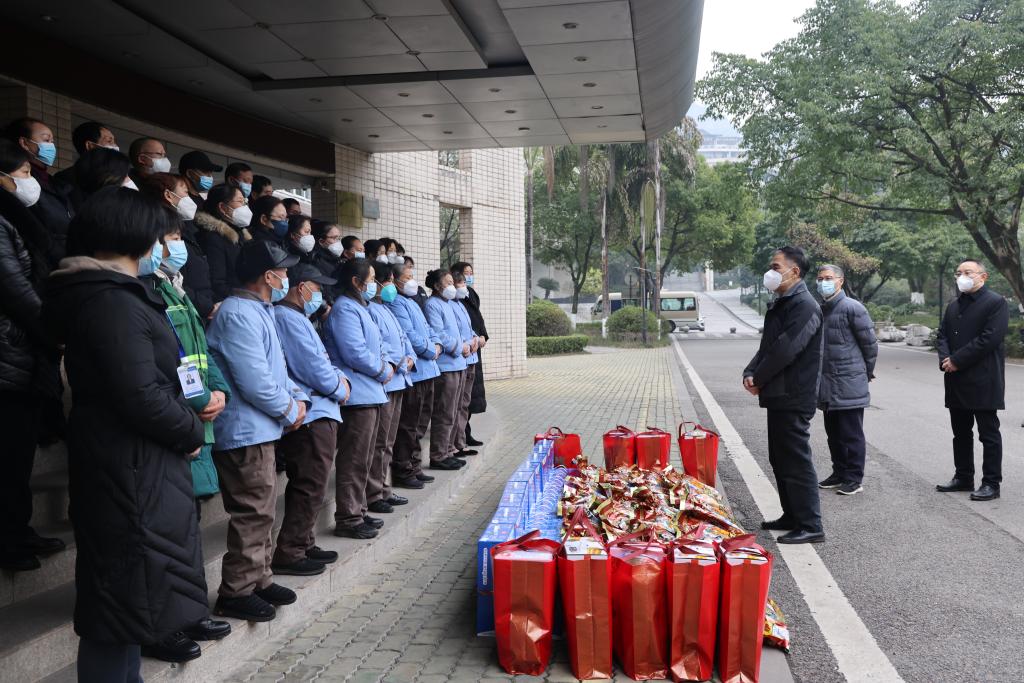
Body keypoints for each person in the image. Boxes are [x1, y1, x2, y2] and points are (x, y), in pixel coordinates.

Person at [42, 187, 207, 682]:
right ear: (136, 236)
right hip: (130, 471)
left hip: (131, 466)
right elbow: (140, 394)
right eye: (161, 235)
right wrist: (190, 429)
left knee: (129, 604)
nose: (165, 245)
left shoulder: (114, 295)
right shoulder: (113, 301)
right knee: (118, 605)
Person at [141, 211, 233, 662]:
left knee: (188, 526)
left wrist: (218, 390)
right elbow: (161, 365)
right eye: (171, 237)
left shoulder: (176, 290)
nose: (178, 246)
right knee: (166, 530)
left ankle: (191, 610)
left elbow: (201, 352)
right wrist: (197, 402)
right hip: (175, 421)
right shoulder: (145, 293)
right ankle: (164, 622)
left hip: (196, 421)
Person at [205, 240, 309, 622]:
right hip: (244, 431)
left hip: (260, 428)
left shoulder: (257, 310)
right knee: (252, 511)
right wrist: (289, 409)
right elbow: (255, 381)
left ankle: (260, 579)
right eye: (283, 271)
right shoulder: (237, 314)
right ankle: (236, 590)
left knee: (263, 509)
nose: (287, 277)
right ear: (268, 276)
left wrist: (297, 400)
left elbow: (275, 370)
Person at [0, 139, 64, 572]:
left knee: (18, 454)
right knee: (7, 454)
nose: (31, 180)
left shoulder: (15, 217)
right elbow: (14, 287)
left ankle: (18, 531)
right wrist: (53, 329)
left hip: (22, 353)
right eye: (23, 173)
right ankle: (8, 540)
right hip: (10, 352)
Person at [742, 246, 825, 544]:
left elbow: (787, 349)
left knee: (796, 460)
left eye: (776, 267)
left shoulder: (805, 305)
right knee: (780, 458)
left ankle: (811, 524)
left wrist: (759, 377)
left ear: (795, 271)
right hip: (779, 393)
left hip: (794, 394)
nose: (771, 272)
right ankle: (791, 515)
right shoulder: (783, 302)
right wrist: (751, 371)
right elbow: (769, 346)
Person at [271, 264, 349, 574]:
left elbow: (323, 360)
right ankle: (290, 551)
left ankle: (304, 541)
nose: (320, 295)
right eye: (316, 289)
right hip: (312, 413)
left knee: (313, 482)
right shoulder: (286, 317)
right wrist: (338, 388)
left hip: (320, 408)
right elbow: (311, 367)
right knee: (309, 482)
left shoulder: (298, 316)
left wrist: (339, 381)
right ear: (301, 287)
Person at [322, 259, 394, 540]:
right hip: (358, 396)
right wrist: (382, 369)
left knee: (364, 457)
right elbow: (354, 352)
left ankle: (359, 510)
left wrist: (385, 365)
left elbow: (378, 345)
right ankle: (349, 517)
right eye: (372, 279)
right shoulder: (345, 309)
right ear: (356, 281)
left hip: (371, 391)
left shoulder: (361, 307)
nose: (375, 284)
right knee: (353, 459)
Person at [935, 260, 1009, 502]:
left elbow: (990, 339)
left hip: (983, 378)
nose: (962, 277)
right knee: (960, 433)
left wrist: (957, 360)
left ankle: (991, 483)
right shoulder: (953, 305)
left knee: (988, 434)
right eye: (959, 273)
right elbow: (942, 334)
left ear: (983, 276)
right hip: (955, 379)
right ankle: (963, 476)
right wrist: (945, 359)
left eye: (968, 272)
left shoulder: (995, 303)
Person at [814, 264, 877, 497]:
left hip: (849, 381)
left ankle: (854, 478)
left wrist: (865, 372)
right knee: (833, 433)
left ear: (840, 281)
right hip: (828, 382)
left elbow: (869, 345)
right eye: (820, 278)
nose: (824, 282)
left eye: (828, 278)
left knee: (851, 434)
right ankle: (839, 472)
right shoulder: (822, 309)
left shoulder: (852, 307)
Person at [366, 266, 414, 514]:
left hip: (399, 379)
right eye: (389, 282)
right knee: (380, 441)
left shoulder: (386, 308)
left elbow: (403, 339)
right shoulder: (370, 310)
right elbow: (380, 346)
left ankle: (384, 488)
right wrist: (397, 362)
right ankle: (374, 493)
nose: (392, 287)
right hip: (387, 380)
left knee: (389, 441)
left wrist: (409, 357)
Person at [389, 263, 440, 489]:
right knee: (408, 425)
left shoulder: (412, 302)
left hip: (429, 370)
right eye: (407, 277)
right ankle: (403, 468)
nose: (412, 281)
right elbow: (409, 335)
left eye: (412, 276)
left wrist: (436, 345)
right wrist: (430, 350)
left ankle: (414, 465)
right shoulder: (396, 303)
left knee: (420, 423)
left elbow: (427, 330)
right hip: (417, 372)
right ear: (395, 280)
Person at [138, 172, 215, 320]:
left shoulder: (186, 228)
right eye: (185, 192)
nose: (189, 197)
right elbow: (172, 281)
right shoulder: (156, 226)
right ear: (168, 195)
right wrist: (206, 307)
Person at [4, 117, 74, 266]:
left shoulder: (57, 184)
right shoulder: (19, 184)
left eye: (52, 141)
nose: (52, 146)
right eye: (46, 140)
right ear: (24, 143)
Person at [424, 269, 468, 471]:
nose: (452, 286)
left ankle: (448, 450)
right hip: (446, 365)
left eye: (452, 282)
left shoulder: (448, 304)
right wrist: (459, 347)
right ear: (436, 286)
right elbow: (438, 334)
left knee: (453, 411)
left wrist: (466, 344)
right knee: (444, 411)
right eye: (448, 282)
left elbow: (458, 331)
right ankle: (438, 454)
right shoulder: (432, 304)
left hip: (458, 363)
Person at [195, 184, 251, 303]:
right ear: (222, 207)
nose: (245, 207)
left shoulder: (241, 234)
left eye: (245, 202)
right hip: (232, 302)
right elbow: (217, 283)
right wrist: (247, 297)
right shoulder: (213, 238)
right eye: (240, 201)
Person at [452, 261, 487, 446]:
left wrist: (482, 336)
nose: (469, 276)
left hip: (475, 348)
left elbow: (478, 319)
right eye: (465, 273)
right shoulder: (453, 298)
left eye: (471, 273)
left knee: (471, 396)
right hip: (464, 351)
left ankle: (466, 433)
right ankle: (461, 434)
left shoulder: (471, 294)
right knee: (462, 399)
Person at [53, 121, 118, 208]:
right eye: (109, 141)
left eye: (114, 141)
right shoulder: (67, 178)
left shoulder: (116, 177)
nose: (115, 146)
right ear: (90, 146)